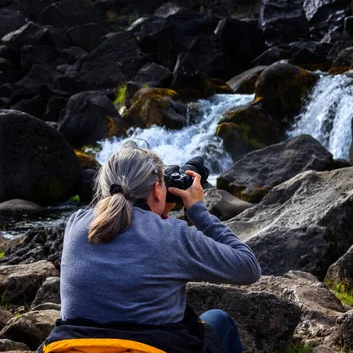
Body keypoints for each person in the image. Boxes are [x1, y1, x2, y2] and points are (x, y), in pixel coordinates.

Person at [38, 141, 261, 353]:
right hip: (151, 348)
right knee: (221, 321)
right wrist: (197, 210)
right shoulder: (174, 235)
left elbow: (129, 228)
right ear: (157, 189)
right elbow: (249, 267)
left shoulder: (75, 224)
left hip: (74, 347)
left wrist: (157, 211)